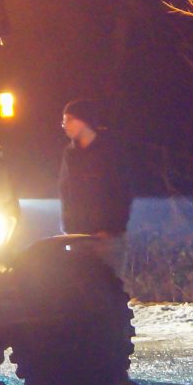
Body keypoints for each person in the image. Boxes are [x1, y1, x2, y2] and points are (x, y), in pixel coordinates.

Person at [58, 97, 131, 274]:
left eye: (68, 119)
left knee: (109, 289)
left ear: (83, 120)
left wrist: (111, 228)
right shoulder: (70, 154)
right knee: (81, 289)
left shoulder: (110, 150)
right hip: (79, 237)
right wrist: (69, 228)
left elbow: (123, 191)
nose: (64, 125)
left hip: (106, 239)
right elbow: (65, 192)